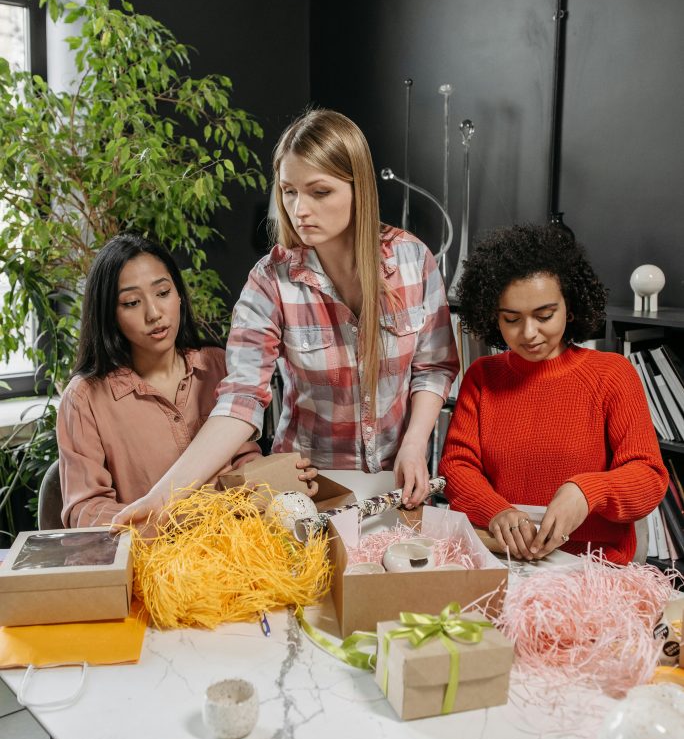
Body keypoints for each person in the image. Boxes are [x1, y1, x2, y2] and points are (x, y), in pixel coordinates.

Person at [118, 108, 459, 525]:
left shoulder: (412, 260)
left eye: (319, 192)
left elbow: (434, 367)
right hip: (308, 488)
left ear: (359, 189)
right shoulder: (270, 281)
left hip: (396, 481)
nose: (299, 210)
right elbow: (240, 401)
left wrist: (413, 444)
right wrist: (164, 495)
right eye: (289, 192)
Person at [438, 223, 668, 564]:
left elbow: (648, 477)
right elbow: (457, 468)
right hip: (504, 562)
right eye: (511, 318)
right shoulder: (482, 377)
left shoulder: (612, 375)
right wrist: (495, 511)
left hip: (594, 568)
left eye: (544, 315)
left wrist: (587, 492)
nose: (529, 333)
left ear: (569, 307)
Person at [57, 235, 313, 527]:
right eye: (131, 302)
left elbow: (244, 463)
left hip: (236, 547)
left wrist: (283, 481)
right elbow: (86, 511)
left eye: (163, 293)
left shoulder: (217, 364)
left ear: (179, 294)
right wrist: (170, 522)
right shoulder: (84, 399)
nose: (154, 314)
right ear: (108, 314)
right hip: (153, 561)